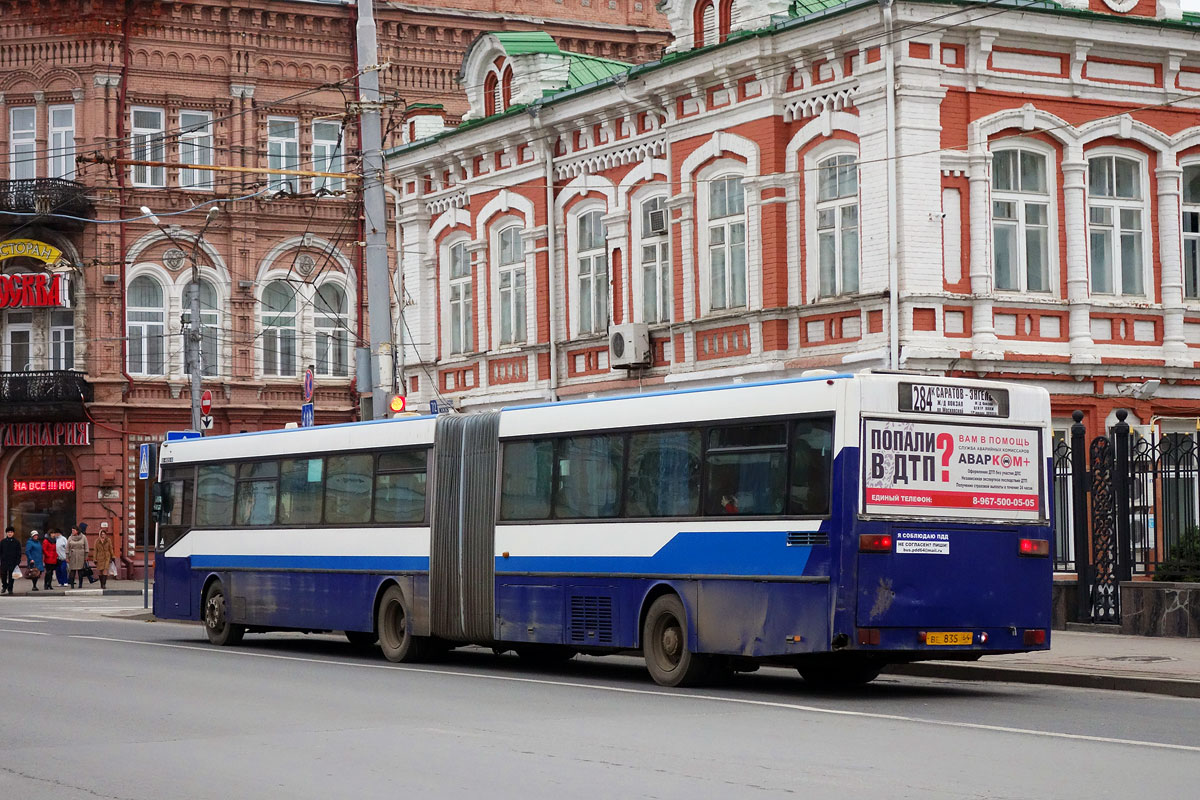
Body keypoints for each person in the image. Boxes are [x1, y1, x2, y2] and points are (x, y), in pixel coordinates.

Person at [0, 526, 22, 596]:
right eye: (8, 532)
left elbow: (19, 553)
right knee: (3, 575)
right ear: (6, 533)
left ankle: (10, 589)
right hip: (4, 561)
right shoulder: (3, 542)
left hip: (13, 562)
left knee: (11, 576)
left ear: (13, 533)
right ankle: (4, 586)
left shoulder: (16, 542)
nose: (10, 533)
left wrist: (18, 562)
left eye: (11, 532)